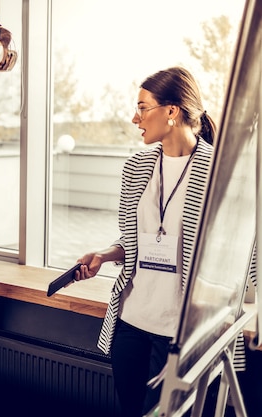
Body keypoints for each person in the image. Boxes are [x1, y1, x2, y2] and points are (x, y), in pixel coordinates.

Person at [73, 67, 217, 417]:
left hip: (181, 331)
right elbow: (135, 239)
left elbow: (242, 254)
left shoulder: (217, 171)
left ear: (171, 111)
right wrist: (105, 255)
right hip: (132, 323)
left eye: (142, 107)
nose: (134, 117)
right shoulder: (136, 166)